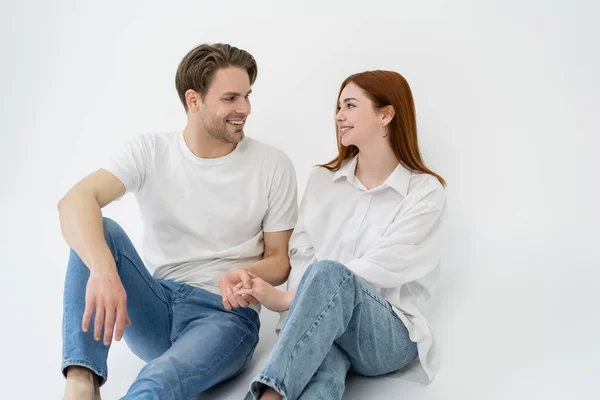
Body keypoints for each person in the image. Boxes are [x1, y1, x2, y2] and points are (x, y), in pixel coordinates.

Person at [58, 43, 298, 400]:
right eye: (230, 98)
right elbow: (73, 201)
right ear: (194, 100)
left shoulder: (272, 164)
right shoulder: (151, 151)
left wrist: (247, 275)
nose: (244, 109)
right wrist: (104, 269)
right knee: (100, 230)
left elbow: (280, 259)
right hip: (157, 303)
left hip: (224, 315)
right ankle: (81, 381)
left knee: (157, 381)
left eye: (247, 96)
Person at [236, 70, 447, 400]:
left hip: (387, 335)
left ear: (386, 115)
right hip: (321, 324)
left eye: (350, 105)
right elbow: (301, 253)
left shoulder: (424, 192)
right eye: (337, 107)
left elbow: (385, 264)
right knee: (323, 375)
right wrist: (307, 304)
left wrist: (290, 300)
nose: (339, 116)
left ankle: (268, 397)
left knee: (330, 272)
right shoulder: (322, 180)